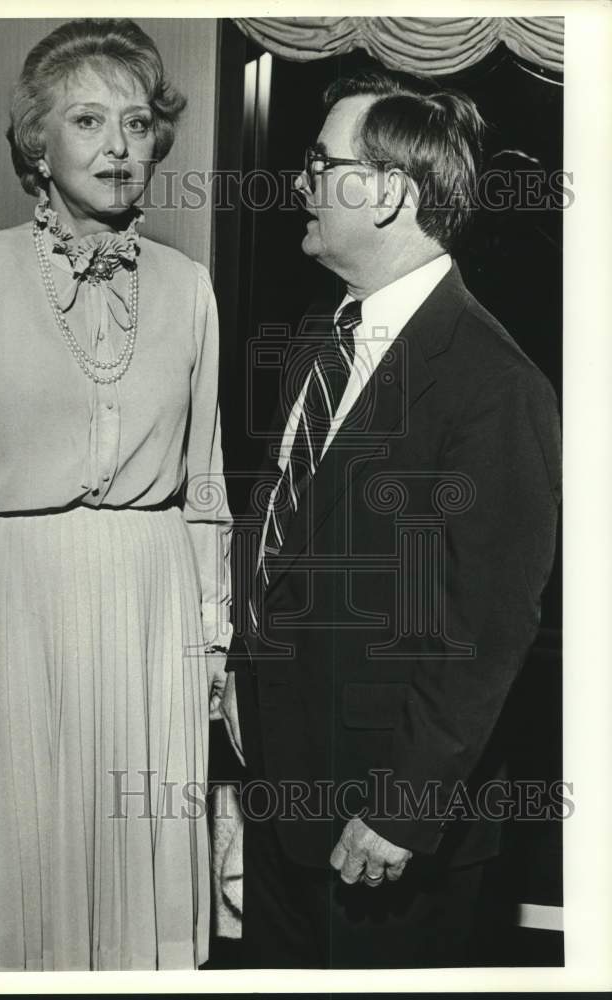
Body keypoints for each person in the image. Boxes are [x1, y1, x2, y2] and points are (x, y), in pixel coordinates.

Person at [0, 18, 232, 971]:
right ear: (37, 143)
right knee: (5, 858)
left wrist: (210, 640)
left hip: (149, 619)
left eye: (138, 123)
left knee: (130, 863)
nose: (118, 147)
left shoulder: (190, 291)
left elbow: (205, 490)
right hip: (5, 610)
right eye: (88, 121)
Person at [221, 69, 561, 968]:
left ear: (386, 195)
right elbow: (282, 537)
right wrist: (239, 673)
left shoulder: (495, 386)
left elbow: (487, 630)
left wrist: (400, 808)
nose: (298, 182)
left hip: (383, 827)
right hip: (284, 798)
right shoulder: (318, 339)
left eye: (318, 163)